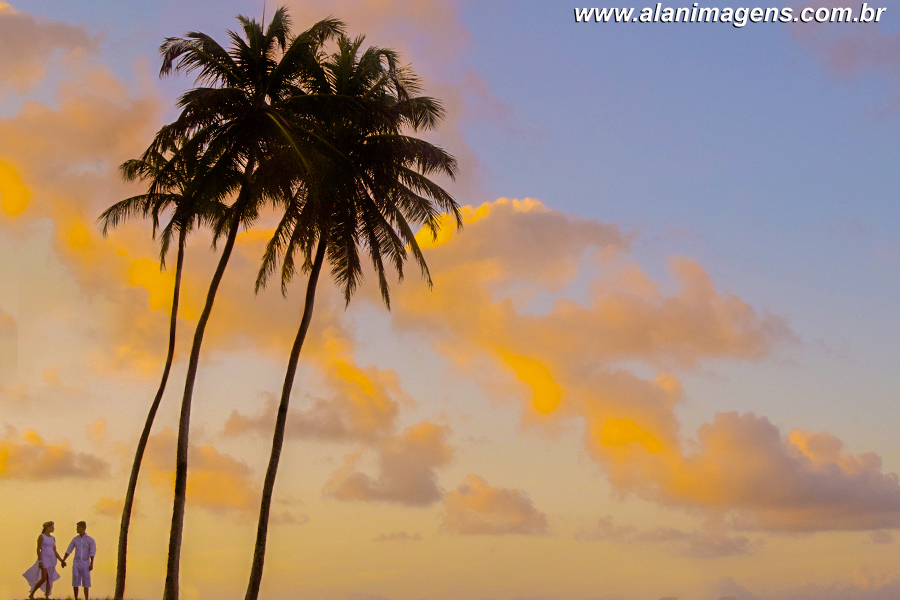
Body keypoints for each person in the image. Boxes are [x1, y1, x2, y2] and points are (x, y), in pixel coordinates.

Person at [24, 521, 66, 599]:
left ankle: (47, 596)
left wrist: (61, 560)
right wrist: (40, 560)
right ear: (48, 528)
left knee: (49, 578)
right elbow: (38, 549)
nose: (53, 528)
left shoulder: (53, 538)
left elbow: (55, 551)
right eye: (52, 527)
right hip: (44, 559)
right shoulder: (41, 536)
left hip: (52, 560)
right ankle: (32, 594)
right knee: (43, 578)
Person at [64, 521, 96, 600]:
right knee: (75, 579)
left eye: (78, 527)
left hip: (85, 562)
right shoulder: (75, 539)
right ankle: (76, 598)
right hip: (76, 562)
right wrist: (63, 560)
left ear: (83, 528)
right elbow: (69, 550)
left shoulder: (90, 540)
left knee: (86, 580)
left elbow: (92, 551)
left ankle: (86, 598)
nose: (77, 529)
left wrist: (91, 563)